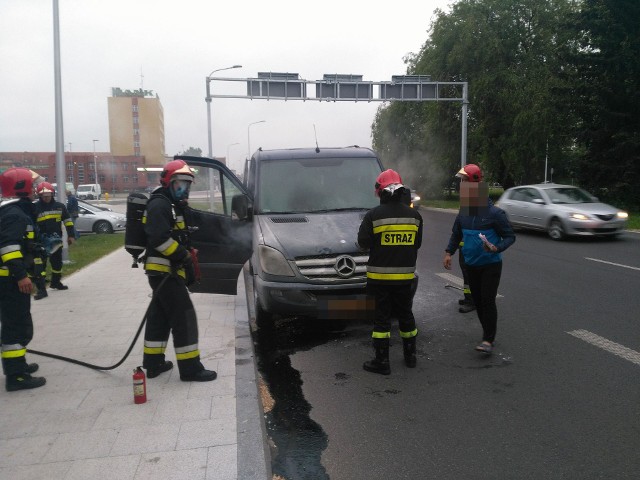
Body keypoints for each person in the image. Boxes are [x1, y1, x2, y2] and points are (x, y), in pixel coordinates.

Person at [142, 159, 217, 382]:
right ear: (169, 182)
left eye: (187, 184)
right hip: (165, 272)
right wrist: (182, 255)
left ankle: (153, 363)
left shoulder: (172, 205)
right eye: (180, 183)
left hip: (164, 273)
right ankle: (190, 368)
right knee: (184, 318)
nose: (184, 188)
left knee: (160, 317)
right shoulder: (160, 205)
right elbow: (159, 240)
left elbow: (178, 233)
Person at [443, 164, 515, 354]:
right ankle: (487, 334)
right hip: (471, 264)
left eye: (464, 181)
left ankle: (488, 339)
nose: (461, 184)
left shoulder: (494, 214)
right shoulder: (464, 211)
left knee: (487, 300)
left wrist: (496, 247)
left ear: (476, 184)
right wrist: (449, 252)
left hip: (491, 264)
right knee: (478, 300)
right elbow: (456, 234)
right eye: (461, 181)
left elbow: (510, 236)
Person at [357, 169, 423, 375]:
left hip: (379, 280)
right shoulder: (415, 216)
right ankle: (410, 357)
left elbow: (362, 243)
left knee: (381, 320)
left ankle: (382, 361)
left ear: (381, 191)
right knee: (406, 316)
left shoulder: (373, 216)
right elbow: (417, 244)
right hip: (405, 279)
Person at [0, 168, 47, 391]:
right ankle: (16, 376)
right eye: (33, 184)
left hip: (10, 278)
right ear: (22, 187)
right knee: (16, 327)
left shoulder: (13, 210)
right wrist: (20, 276)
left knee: (18, 323)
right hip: (10, 280)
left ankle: (19, 365)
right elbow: (8, 248)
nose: (37, 190)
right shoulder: (14, 214)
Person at [33, 182, 75, 292]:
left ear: (52, 194)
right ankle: (41, 288)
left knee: (57, 263)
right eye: (44, 196)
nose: (46, 198)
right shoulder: (34, 208)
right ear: (39, 196)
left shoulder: (60, 207)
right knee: (40, 265)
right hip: (40, 241)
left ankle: (56, 282)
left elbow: (68, 222)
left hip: (56, 240)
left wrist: (71, 235)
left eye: (48, 195)